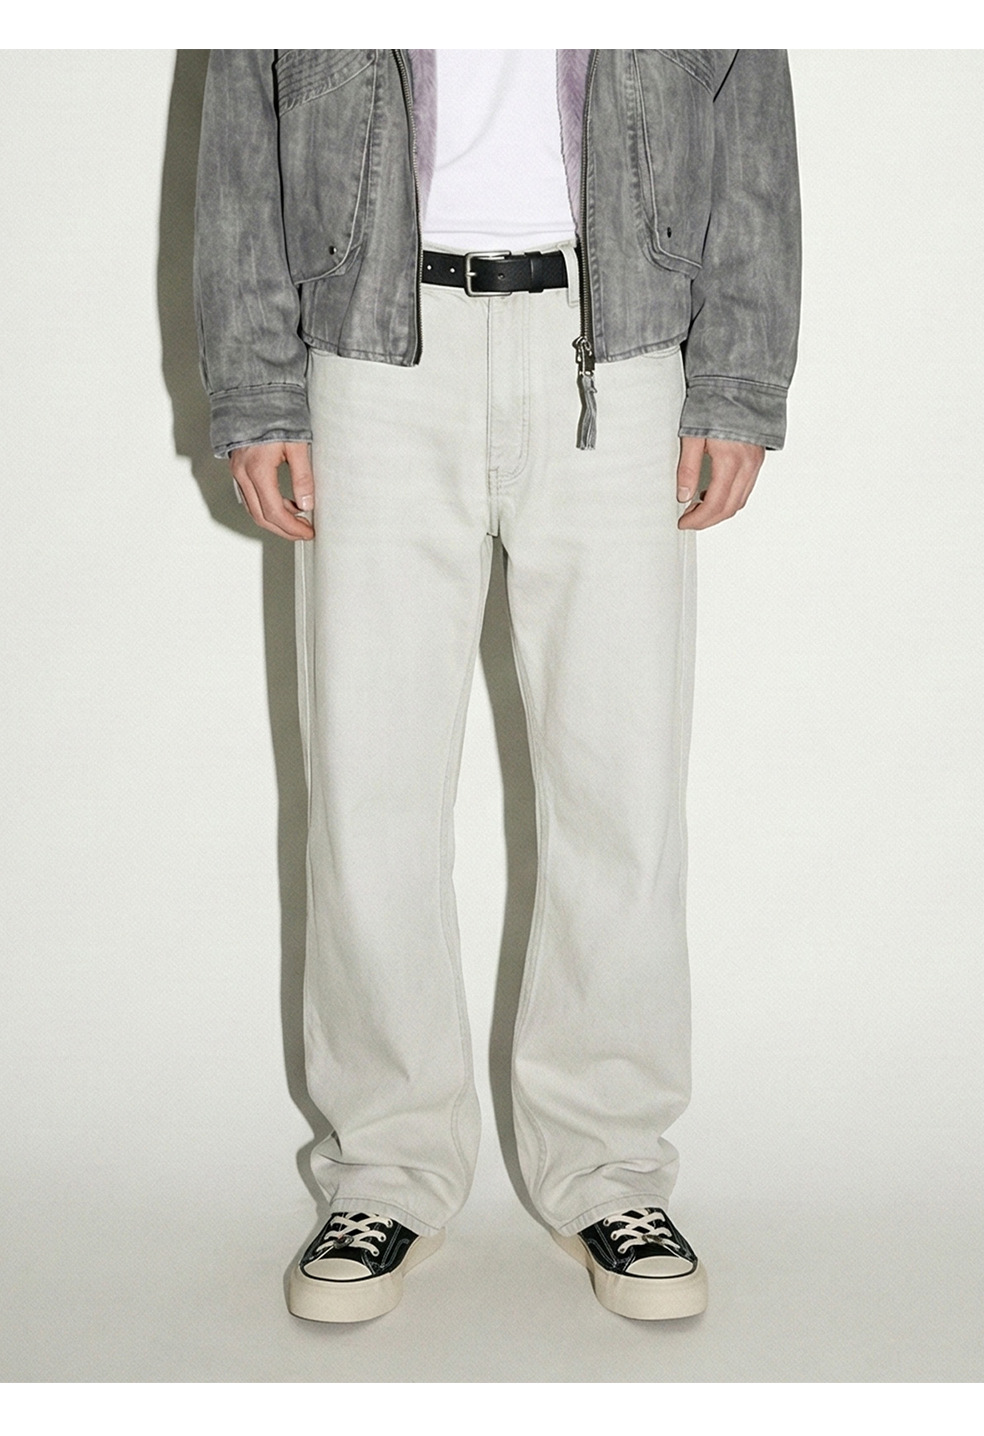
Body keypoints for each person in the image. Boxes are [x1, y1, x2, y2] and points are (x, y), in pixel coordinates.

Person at [194, 48, 801, 1324]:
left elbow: (749, 91)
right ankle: (386, 1168)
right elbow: (245, 109)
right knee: (369, 789)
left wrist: (741, 373)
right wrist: (255, 386)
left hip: (620, 345)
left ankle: (610, 1167)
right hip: (370, 349)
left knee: (621, 791)